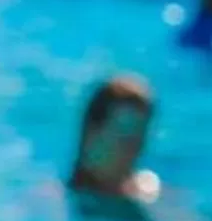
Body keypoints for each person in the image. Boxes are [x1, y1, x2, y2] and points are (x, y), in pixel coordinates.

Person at [68, 73, 163, 210]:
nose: (132, 149)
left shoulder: (149, 194)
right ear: (91, 134)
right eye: (123, 136)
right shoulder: (55, 203)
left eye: (139, 137)